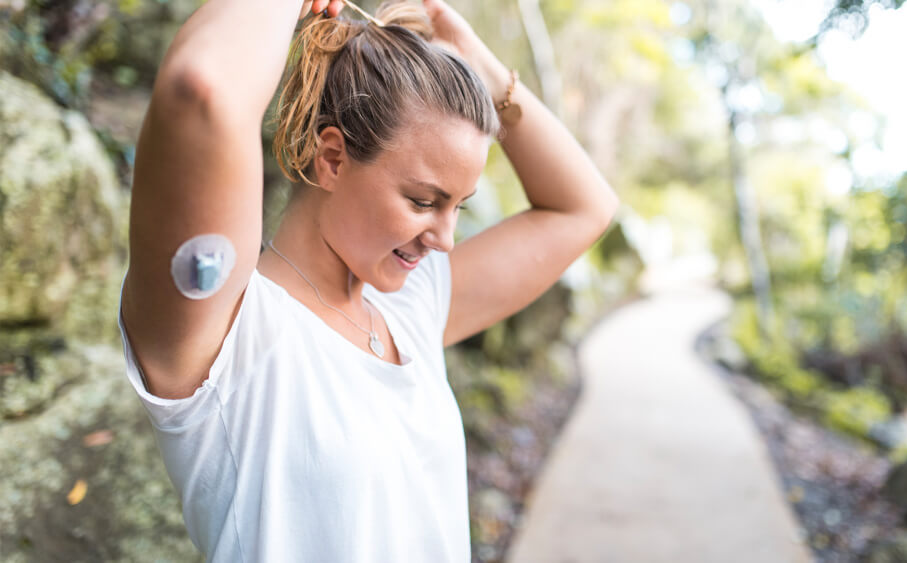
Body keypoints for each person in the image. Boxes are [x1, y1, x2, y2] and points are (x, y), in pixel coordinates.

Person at [117, 0, 618, 560]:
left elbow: (585, 208)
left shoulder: (412, 309)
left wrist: (482, 66)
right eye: (423, 201)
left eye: (457, 207)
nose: (445, 240)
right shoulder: (224, 334)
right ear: (333, 158)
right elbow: (202, 89)